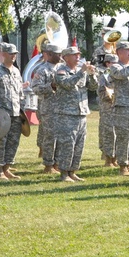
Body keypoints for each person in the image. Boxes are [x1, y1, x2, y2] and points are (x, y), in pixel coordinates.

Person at [54, 46, 94, 182]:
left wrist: (92, 74)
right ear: (65, 58)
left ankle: (73, 171)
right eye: (74, 55)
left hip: (81, 113)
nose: (78, 57)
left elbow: (93, 87)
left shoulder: (80, 71)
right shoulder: (61, 71)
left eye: (78, 55)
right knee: (67, 144)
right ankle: (64, 172)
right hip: (67, 114)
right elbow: (67, 84)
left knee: (79, 144)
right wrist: (81, 73)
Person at [0, 43, 24, 180]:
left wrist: (22, 111)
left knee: (13, 142)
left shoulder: (16, 71)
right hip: (1, 114)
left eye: (15, 54)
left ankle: (7, 168)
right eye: (11, 53)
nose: (13, 56)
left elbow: (20, 93)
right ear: (4, 54)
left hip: (15, 113)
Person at [109, 41, 129, 176]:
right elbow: (120, 75)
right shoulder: (115, 66)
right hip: (122, 106)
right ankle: (122, 165)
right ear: (119, 52)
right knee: (124, 136)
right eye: (128, 50)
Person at [30, 42, 62, 173]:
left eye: (60, 54)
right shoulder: (42, 70)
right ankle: (48, 165)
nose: (60, 56)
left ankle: (57, 163)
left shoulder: (62, 69)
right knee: (50, 137)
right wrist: (51, 86)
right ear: (48, 55)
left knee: (60, 137)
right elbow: (35, 88)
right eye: (57, 54)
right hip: (48, 109)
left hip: (62, 109)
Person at [96, 53, 117, 166]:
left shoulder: (118, 74)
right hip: (107, 107)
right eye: (113, 62)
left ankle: (115, 158)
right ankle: (108, 157)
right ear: (108, 63)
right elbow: (101, 91)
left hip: (118, 107)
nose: (116, 65)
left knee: (118, 133)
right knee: (109, 132)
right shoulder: (104, 75)